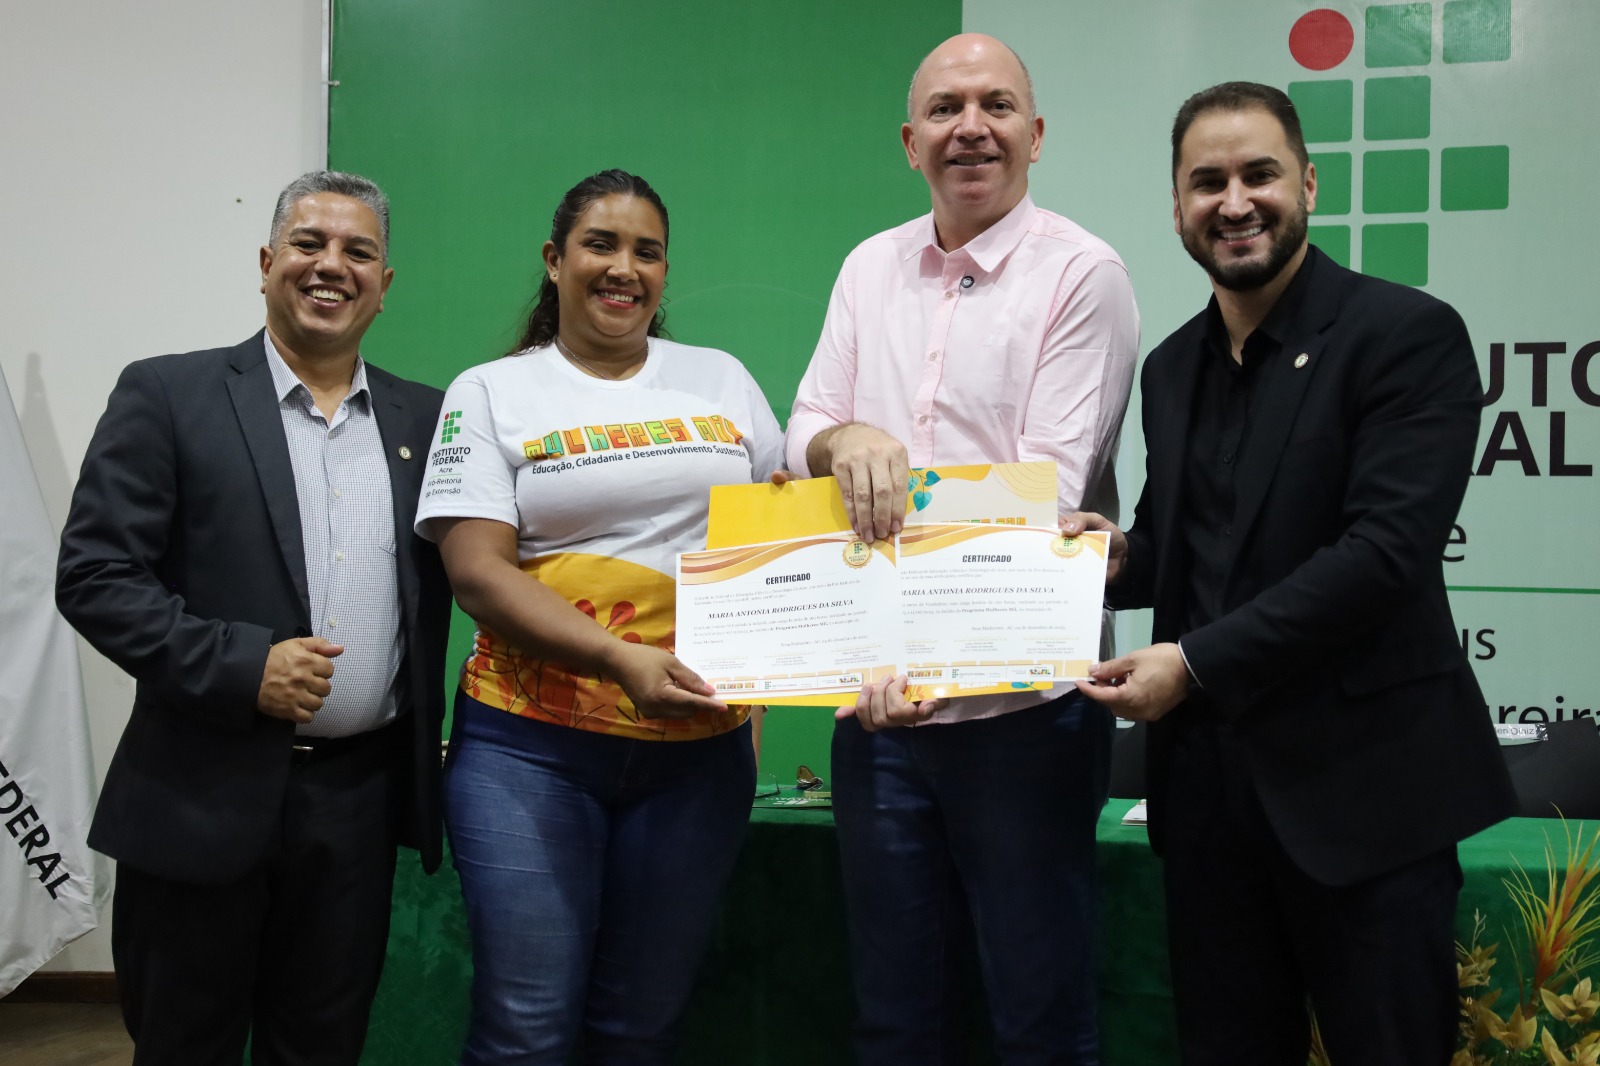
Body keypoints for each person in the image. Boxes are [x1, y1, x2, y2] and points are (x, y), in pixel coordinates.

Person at [1064, 82, 1516, 1066]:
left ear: (1307, 184)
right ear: (1177, 206)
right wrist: (1107, 559)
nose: (1234, 202)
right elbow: (1183, 542)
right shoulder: (1171, 367)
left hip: (1368, 804)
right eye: (1207, 182)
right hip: (1210, 812)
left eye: (1258, 174)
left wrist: (1192, 663)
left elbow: (1383, 557)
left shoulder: (1405, 334)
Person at [784, 33, 1139, 1065]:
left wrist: (919, 660)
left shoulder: (1082, 274)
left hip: (1027, 717)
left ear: (1036, 133)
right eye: (945, 109)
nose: (970, 128)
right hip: (879, 718)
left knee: (1037, 1020)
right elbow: (803, 427)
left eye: (995, 105)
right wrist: (843, 440)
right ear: (910, 142)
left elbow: (1046, 499)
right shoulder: (869, 267)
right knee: (896, 1018)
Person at [56, 170, 451, 1065]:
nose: (331, 265)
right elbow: (95, 576)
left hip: (356, 805)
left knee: (321, 1048)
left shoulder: (428, 421)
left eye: (358, 251)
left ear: (384, 284)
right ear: (267, 261)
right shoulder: (168, 394)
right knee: (182, 1046)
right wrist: (243, 667)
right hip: (198, 795)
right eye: (309, 243)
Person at [416, 168, 784, 1065]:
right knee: (526, 1027)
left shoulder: (721, 379)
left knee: (641, 1029)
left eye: (646, 252)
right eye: (600, 245)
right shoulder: (489, 391)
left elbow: (783, 534)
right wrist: (619, 659)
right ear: (555, 260)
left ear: (664, 272)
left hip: (698, 759)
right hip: (528, 752)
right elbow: (476, 574)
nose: (624, 268)